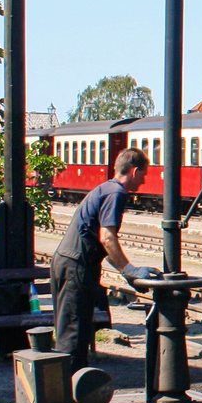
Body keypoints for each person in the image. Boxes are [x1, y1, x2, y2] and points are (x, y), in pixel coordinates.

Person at [50, 147, 158, 370]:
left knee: (71, 330)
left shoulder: (105, 188)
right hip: (76, 266)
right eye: (144, 174)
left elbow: (104, 245)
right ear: (134, 171)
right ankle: (70, 393)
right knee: (74, 334)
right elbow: (107, 238)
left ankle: (67, 390)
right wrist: (130, 270)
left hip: (69, 261)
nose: (144, 181)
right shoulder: (116, 193)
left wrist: (126, 270)